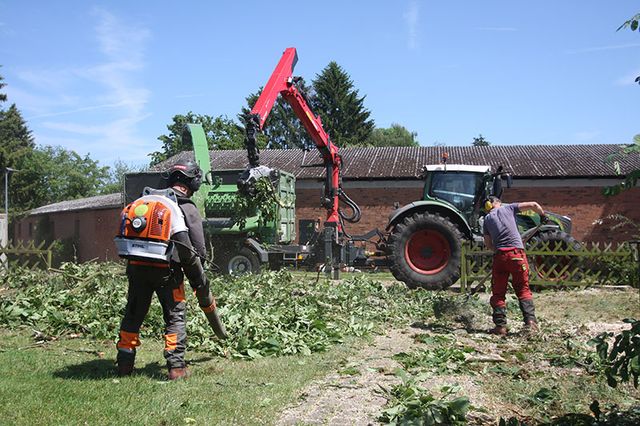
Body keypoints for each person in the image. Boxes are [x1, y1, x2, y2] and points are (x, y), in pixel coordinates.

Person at [116, 159, 226, 380]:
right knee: (175, 315)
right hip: (168, 271)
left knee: (133, 312)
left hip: (136, 268)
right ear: (193, 181)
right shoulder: (185, 206)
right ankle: (176, 367)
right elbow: (197, 249)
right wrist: (198, 277)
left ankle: (124, 363)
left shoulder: (144, 200)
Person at [482, 196, 547, 336]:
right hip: (517, 255)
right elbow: (534, 203)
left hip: (500, 256)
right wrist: (542, 216)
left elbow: (488, 244)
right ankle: (530, 323)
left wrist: (500, 252)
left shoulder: (487, 220)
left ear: (488, 205)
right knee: (523, 289)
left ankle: (500, 327)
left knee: (498, 293)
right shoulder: (509, 208)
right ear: (497, 202)